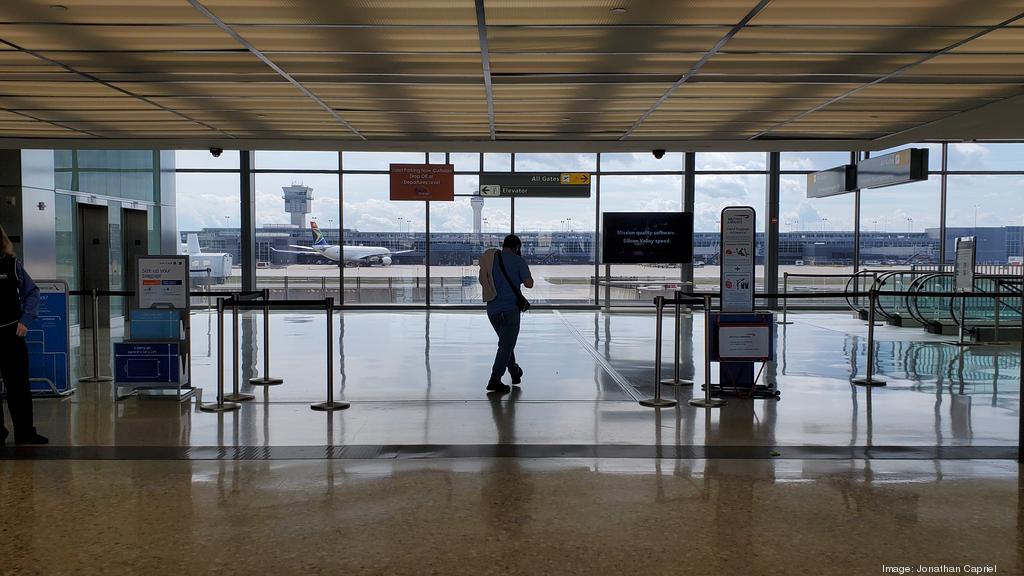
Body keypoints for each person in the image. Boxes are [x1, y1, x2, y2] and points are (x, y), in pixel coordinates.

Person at [0, 225, 47, 446]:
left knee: (18, 385)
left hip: (11, 333)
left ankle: (25, 432)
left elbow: (32, 291)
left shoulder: (12, 265)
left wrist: (25, 319)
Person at [478, 234, 533, 394]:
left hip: (493, 309)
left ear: (504, 245)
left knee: (505, 344)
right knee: (505, 345)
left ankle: (515, 372)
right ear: (517, 247)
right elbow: (529, 284)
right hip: (510, 310)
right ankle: (495, 379)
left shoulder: (491, 259)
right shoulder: (518, 261)